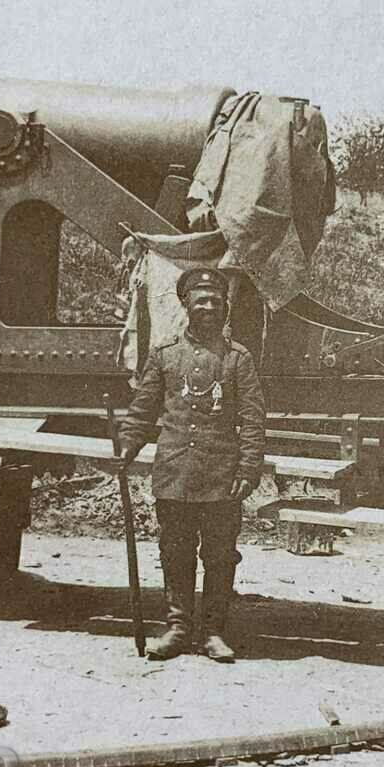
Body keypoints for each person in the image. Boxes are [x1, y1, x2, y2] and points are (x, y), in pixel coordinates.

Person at [118, 266, 266, 663]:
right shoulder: (165, 355)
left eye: (215, 302)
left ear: (226, 309)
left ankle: (214, 632)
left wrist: (248, 470)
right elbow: (142, 410)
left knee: (219, 555)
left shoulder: (239, 360)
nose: (208, 308)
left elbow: (253, 420)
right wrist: (127, 446)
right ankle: (179, 628)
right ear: (186, 305)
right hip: (175, 473)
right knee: (175, 551)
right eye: (200, 301)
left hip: (221, 477)